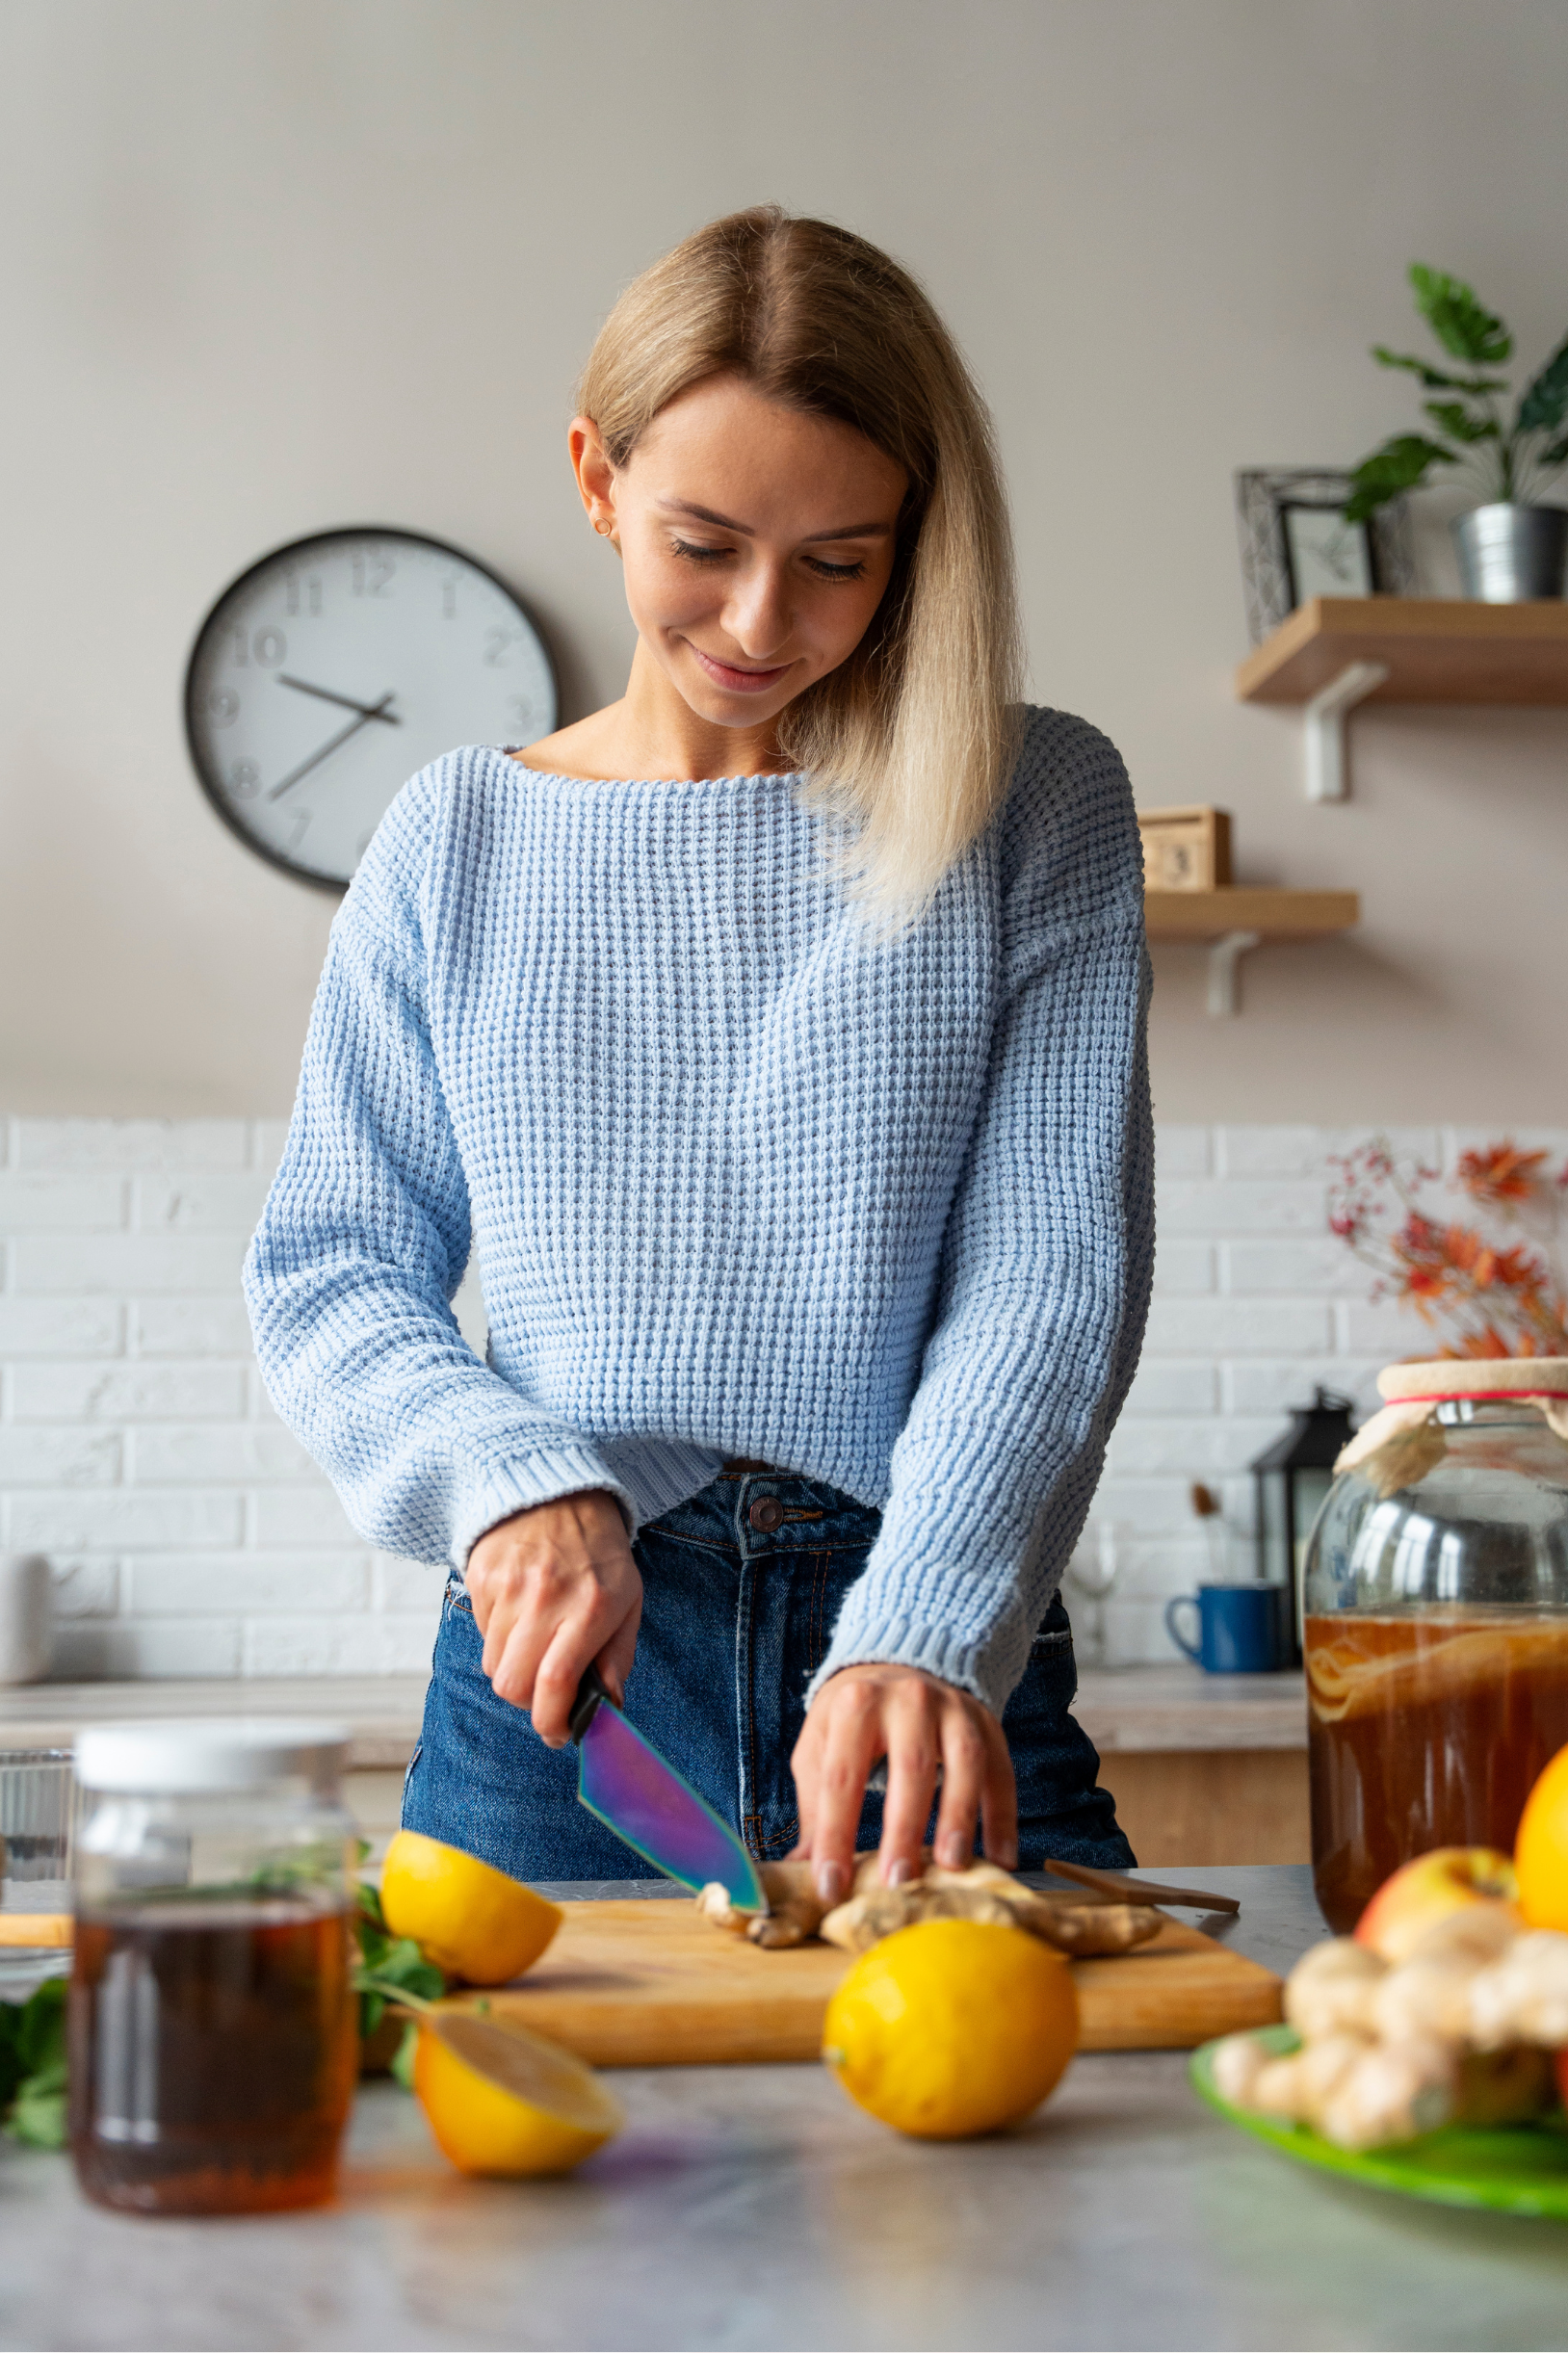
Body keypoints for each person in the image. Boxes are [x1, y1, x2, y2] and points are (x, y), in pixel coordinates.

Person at [246, 205, 1151, 1904]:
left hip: (924, 1652)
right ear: (596, 480)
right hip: (568, 1687)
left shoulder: (1036, 804)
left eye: (839, 559)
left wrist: (931, 1615)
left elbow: (1049, 1274)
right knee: (507, 2156)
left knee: (1045, 2149)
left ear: (915, 540)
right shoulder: (455, 837)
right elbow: (334, 1271)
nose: (759, 619)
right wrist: (509, 1483)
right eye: (703, 541)